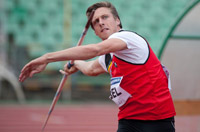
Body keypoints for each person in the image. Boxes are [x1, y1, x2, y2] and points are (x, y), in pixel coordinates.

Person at [19, 1, 176, 132]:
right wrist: (75, 63)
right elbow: (91, 69)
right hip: (129, 120)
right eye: (96, 22)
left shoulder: (128, 38)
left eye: (105, 17)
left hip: (157, 120)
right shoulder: (108, 57)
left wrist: (47, 58)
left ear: (117, 21)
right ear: (94, 31)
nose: (101, 22)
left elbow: (95, 50)